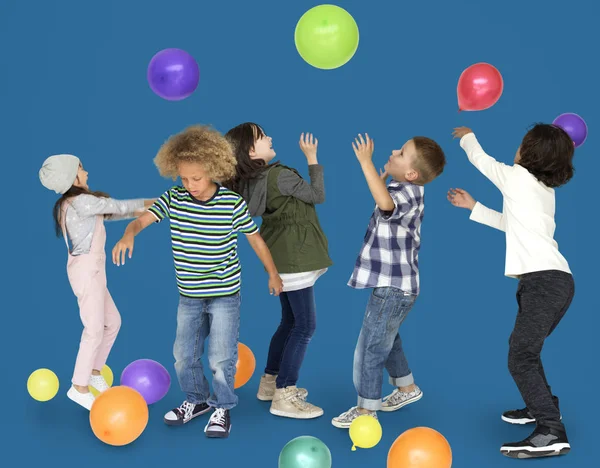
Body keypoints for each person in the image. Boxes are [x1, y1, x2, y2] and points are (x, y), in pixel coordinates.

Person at [112, 125, 283, 438]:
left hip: (224, 295)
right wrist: (128, 234)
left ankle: (222, 407)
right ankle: (197, 400)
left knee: (221, 356)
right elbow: (142, 219)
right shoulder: (175, 199)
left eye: (197, 178)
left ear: (214, 171)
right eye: (184, 178)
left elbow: (255, 239)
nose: (189, 185)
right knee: (184, 355)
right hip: (189, 296)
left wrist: (272, 272)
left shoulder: (231, 204)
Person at [448, 124, 575, 458]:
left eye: (522, 144)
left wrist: (467, 137)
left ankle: (551, 430)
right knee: (526, 351)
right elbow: (511, 225)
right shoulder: (543, 191)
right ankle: (543, 407)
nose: (516, 149)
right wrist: (474, 207)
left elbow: (482, 162)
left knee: (520, 355)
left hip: (543, 283)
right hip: (554, 282)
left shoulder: (518, 178)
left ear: (530, 154)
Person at [332, 133, 446, 428]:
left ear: (411, 173)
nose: (394, 150)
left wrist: (366, 163)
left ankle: (366, 410)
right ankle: (407, 388)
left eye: (402, 152)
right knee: (388, 338)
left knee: (372, 346)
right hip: (396, 287)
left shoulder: (408, 194)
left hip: (393, 289)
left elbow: (385, 203)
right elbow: (384, 196)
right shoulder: (403, 187)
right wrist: (380, 177)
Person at [224, 123, 332, 419]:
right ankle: (285, 393)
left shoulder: (254, 181)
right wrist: (312, 157)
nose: (270, 137)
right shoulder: (281, 175)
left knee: (289, 321)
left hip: (280, 257)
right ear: (250, 151)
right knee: (305, 326)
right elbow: (317, 195)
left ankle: (269, 382)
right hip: (295, 258)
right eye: (262, 137)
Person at [39, 154, 154, 410]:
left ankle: (93, 371)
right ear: (72, 177)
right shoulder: (80, 202)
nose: (87, 172)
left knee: (112, 322)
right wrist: (160, 201)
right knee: (93, 329)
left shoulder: (80, 204)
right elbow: (122, 207)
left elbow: (117, 213)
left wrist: (157, 209)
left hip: (93, 272)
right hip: (87, 272)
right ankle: (78, 387)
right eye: (81, 168)